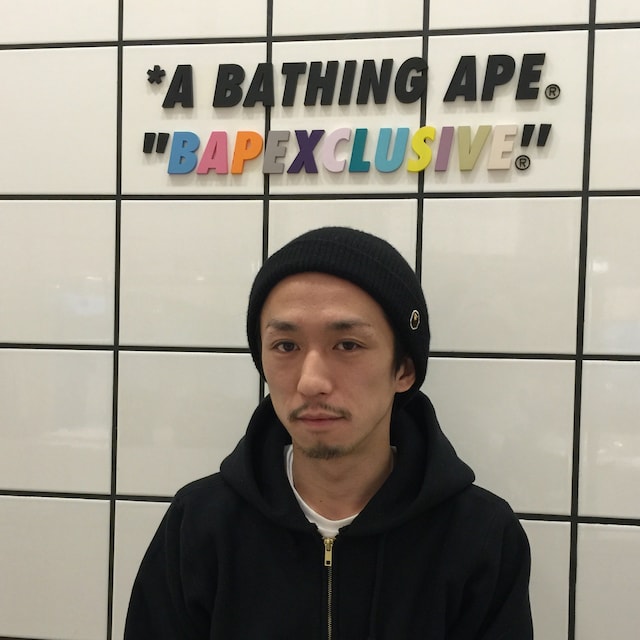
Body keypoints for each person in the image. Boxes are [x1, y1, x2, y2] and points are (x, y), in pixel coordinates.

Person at [124, 226, 533, 639]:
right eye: (286, 346)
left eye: (348, 345)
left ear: (404, 369)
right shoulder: (199, 526)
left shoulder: (480, 537)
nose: (311, 382)